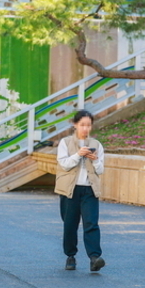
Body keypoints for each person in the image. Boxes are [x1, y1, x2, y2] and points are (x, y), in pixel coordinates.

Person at [54, 110, 106, 272]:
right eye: (82, 125)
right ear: (75, 125)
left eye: (88, 125)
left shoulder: (96, 145)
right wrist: (78, 154)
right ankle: (70, 256)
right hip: (70, 190)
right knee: (70, 224)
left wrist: (95, 160)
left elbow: (100, 169)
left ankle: (94, 257)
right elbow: (64, 164)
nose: (85, 129)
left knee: (91, 223)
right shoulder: (66, 142)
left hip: (89, 189)